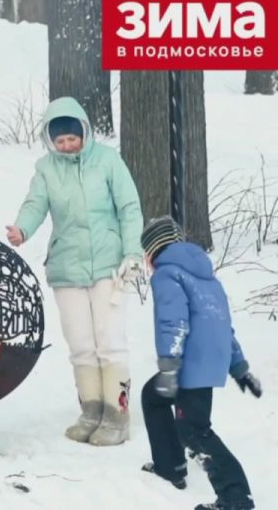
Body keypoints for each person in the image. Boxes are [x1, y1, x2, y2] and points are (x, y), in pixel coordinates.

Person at [5, 96, 143, 446]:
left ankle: (117, 414)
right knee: (81, 343)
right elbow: (36, 204)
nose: (67, 146)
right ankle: (91, 410)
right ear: (50, 140)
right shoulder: (46, 169)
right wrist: (22, 229)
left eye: (72, 138)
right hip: (67, 265)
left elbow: (129, 207)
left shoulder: (108, 161)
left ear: (84, 131)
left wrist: (132, 252)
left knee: (109, 341)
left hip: (109, 265)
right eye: (60, 140)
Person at [138, 216, 261, 510]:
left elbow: (174, 323)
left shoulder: (166, 275)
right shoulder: (207, 278)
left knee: (194, 430)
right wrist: (239, 368)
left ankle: (235, 497)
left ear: (153, 251)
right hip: (205, 362)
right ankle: (171, 467)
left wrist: (169, 367)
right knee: (151, 396)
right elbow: (221, 326)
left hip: (189, 365)